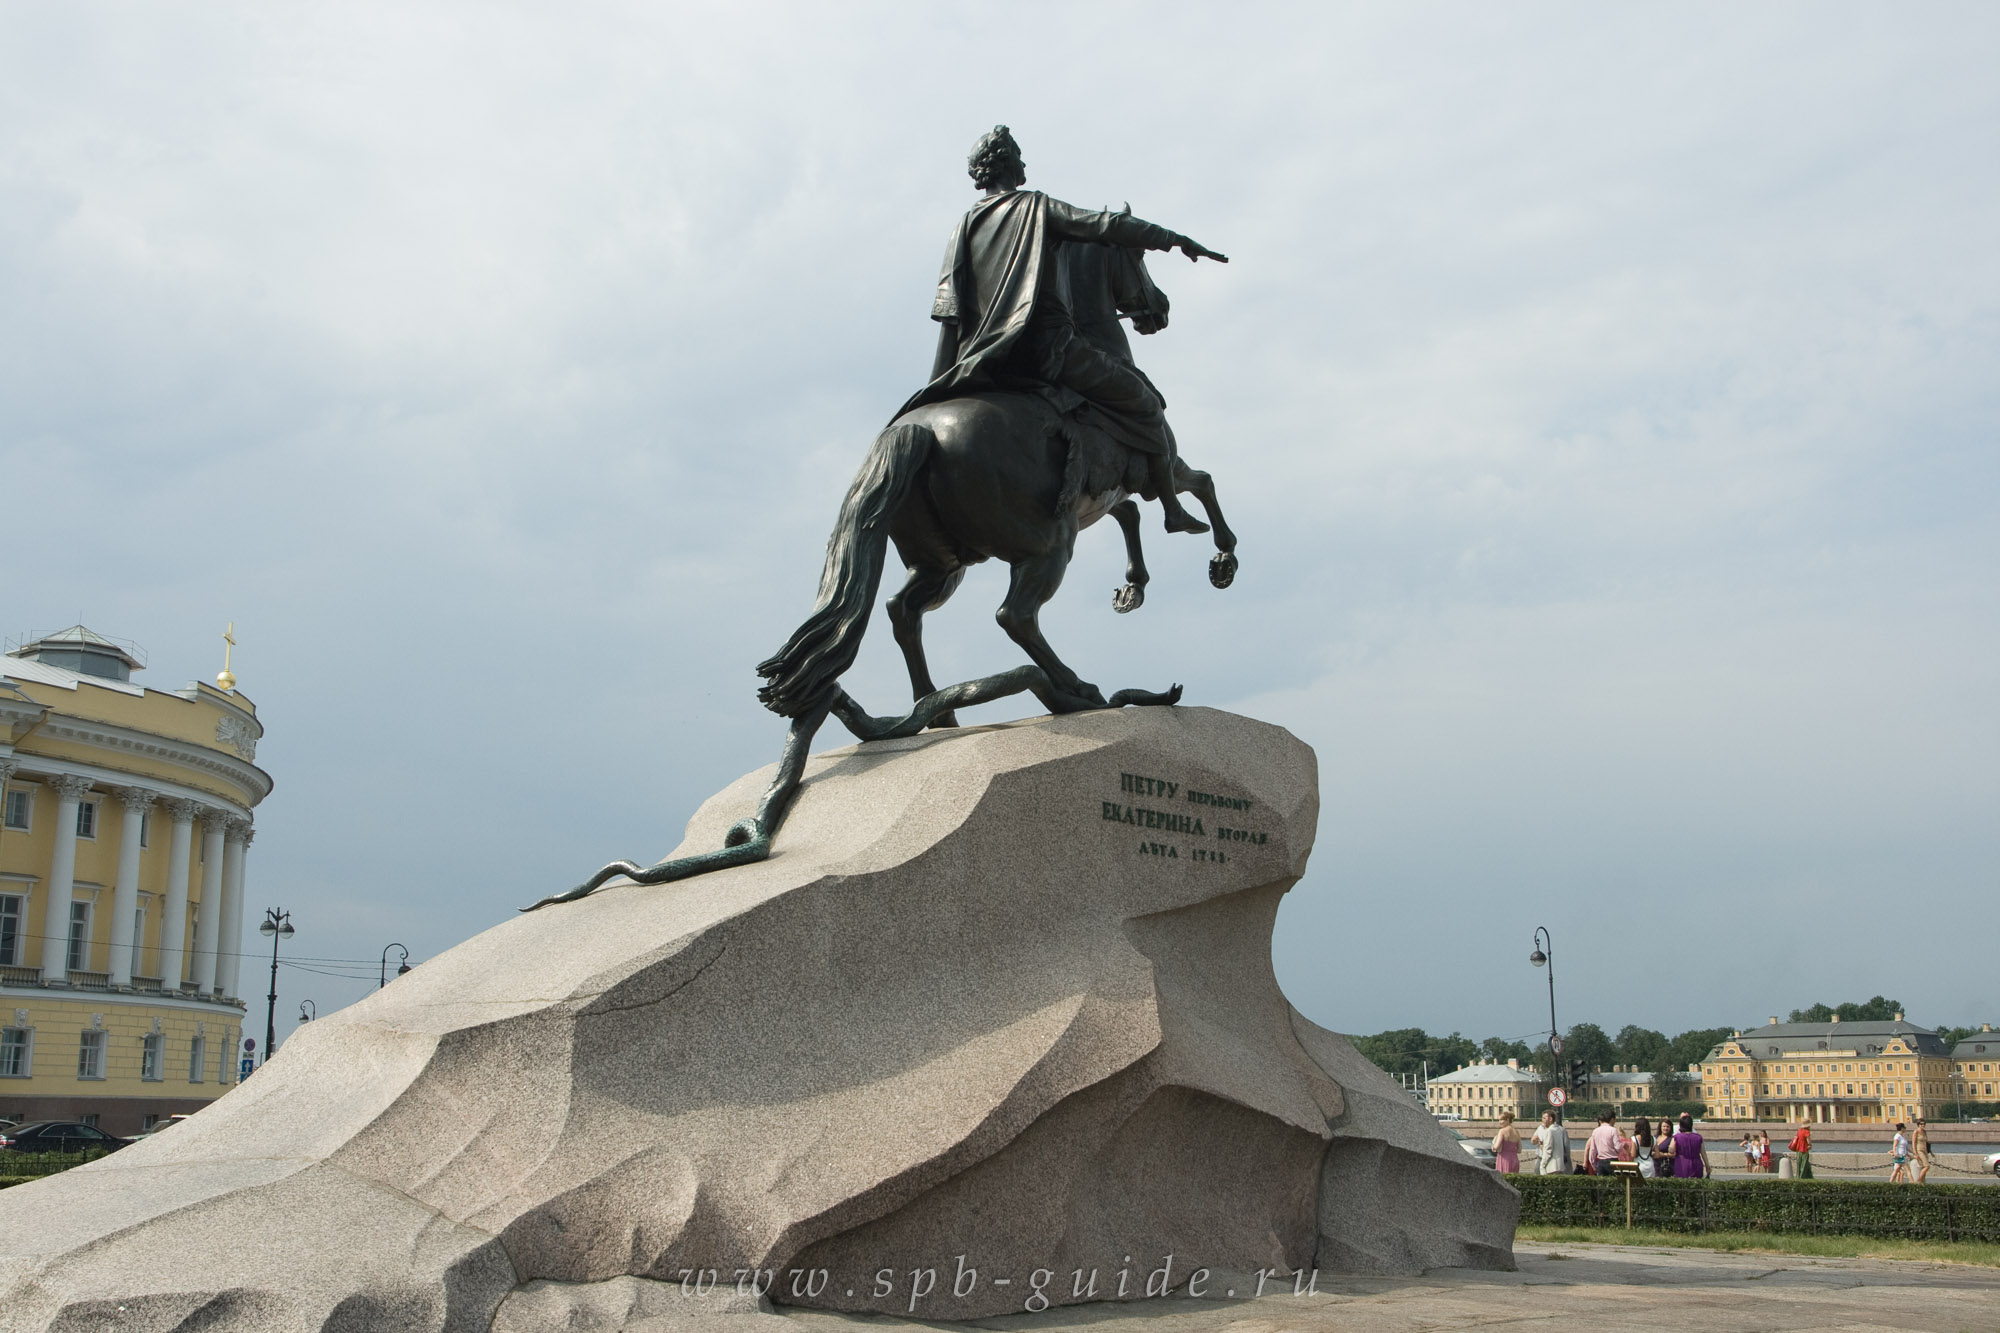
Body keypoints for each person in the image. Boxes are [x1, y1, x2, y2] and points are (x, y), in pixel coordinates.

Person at [906, 126, 1228, 536]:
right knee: (1146, 404)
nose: (1024, 164)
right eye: (1019, 157)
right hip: (1048, 350)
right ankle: (1171, 508)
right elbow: (1105, 226)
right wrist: (1174, 239)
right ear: (1009, 164)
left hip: (986, 359)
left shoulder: (964, 226)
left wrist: (939, 384)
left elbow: (948, 312)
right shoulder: (1035, 208)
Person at [1586, 1110, 1624, 1176]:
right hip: (1612, 1161)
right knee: (1614, 1183)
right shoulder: (1613, 1130)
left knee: (1602, 1184)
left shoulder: (1595, 1131)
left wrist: (1593, 1164)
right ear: (1612, 1119)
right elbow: (1618, 1147)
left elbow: (1592, 1150)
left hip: (1601, 1162)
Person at [1672, 1112, 1709, 1178]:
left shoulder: (1676, 1137)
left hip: (1681, 1164)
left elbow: (1671, 1150)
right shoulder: (1699, 1137)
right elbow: (1703, 1153)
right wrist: (1707, 1166)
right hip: (1696, 1164)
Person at [1914, 1119, 1934, 1184]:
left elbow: (1927, 1143)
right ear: (1918, 1125)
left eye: (1924, 1124)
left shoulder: (1924, 1132)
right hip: (1919, 1150)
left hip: (1925, 1150)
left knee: (1923, 1167)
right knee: (1927, 1166)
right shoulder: (1916, 1131)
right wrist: (1915, 1153)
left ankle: (1923, 1184)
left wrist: (1931, 1152)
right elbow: (1913, 1143)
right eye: (1921, 1124)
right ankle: (1919, 1181)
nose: (1923, 1125)